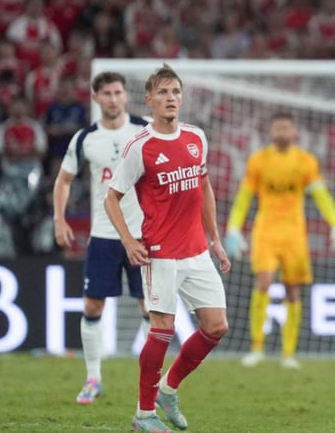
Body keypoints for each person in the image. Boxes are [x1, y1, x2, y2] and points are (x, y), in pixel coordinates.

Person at [104, 64, 231, 433]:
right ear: (149, 100)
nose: (171, 98)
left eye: (175, 91)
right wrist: (129, 241)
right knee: (162, 326)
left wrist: (216, 239)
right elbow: (111, 198)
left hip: (197, 252)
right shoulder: (139, 147)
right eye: (163, 93)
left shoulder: (197, 138)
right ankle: (143, 414)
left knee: (217, 326)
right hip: (160, 252)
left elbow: (203, 187)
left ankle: (168, 389)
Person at [52, 71, 149, 405]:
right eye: (106, 93)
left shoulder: (145, 129)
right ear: (96, 98)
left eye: (118, 92)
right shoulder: (85, 139)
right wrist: (59, 217)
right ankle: (93, 378)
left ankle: (148, 384)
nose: (112, 98)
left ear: (125, 95)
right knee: (93, 305)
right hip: (104, 236)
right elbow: (64, 180)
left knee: (151, 307)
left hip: (143, 234)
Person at [224, 112, 335, 369]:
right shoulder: (258, 161)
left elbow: (321, 195)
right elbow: (244, 197)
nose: (281, 132)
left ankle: (288, 353)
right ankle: (257, 347)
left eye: (286, 128)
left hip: (294, 233)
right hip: (266, 230)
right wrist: (234, 228)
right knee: (264, 281)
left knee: (293, 289)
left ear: (294, 133)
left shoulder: (305, 162)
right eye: (277, 127)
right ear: (271, 132)